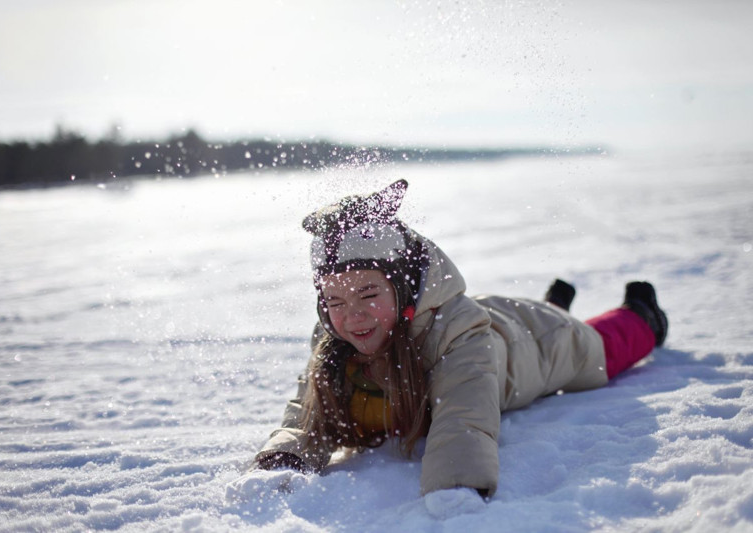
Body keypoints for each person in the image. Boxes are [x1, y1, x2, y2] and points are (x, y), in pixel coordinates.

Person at [226, 179, 668, 512]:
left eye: (368, 295)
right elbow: (306, 414)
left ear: (402, 289)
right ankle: (557, 301)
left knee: (599, 350)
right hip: (501, 320)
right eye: (336, 301)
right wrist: (282, 460)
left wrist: (456, 486)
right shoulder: (334, 342)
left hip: (532, 342)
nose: (352, 315)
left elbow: (465, 412)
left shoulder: (458, 332)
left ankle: (641, 311)